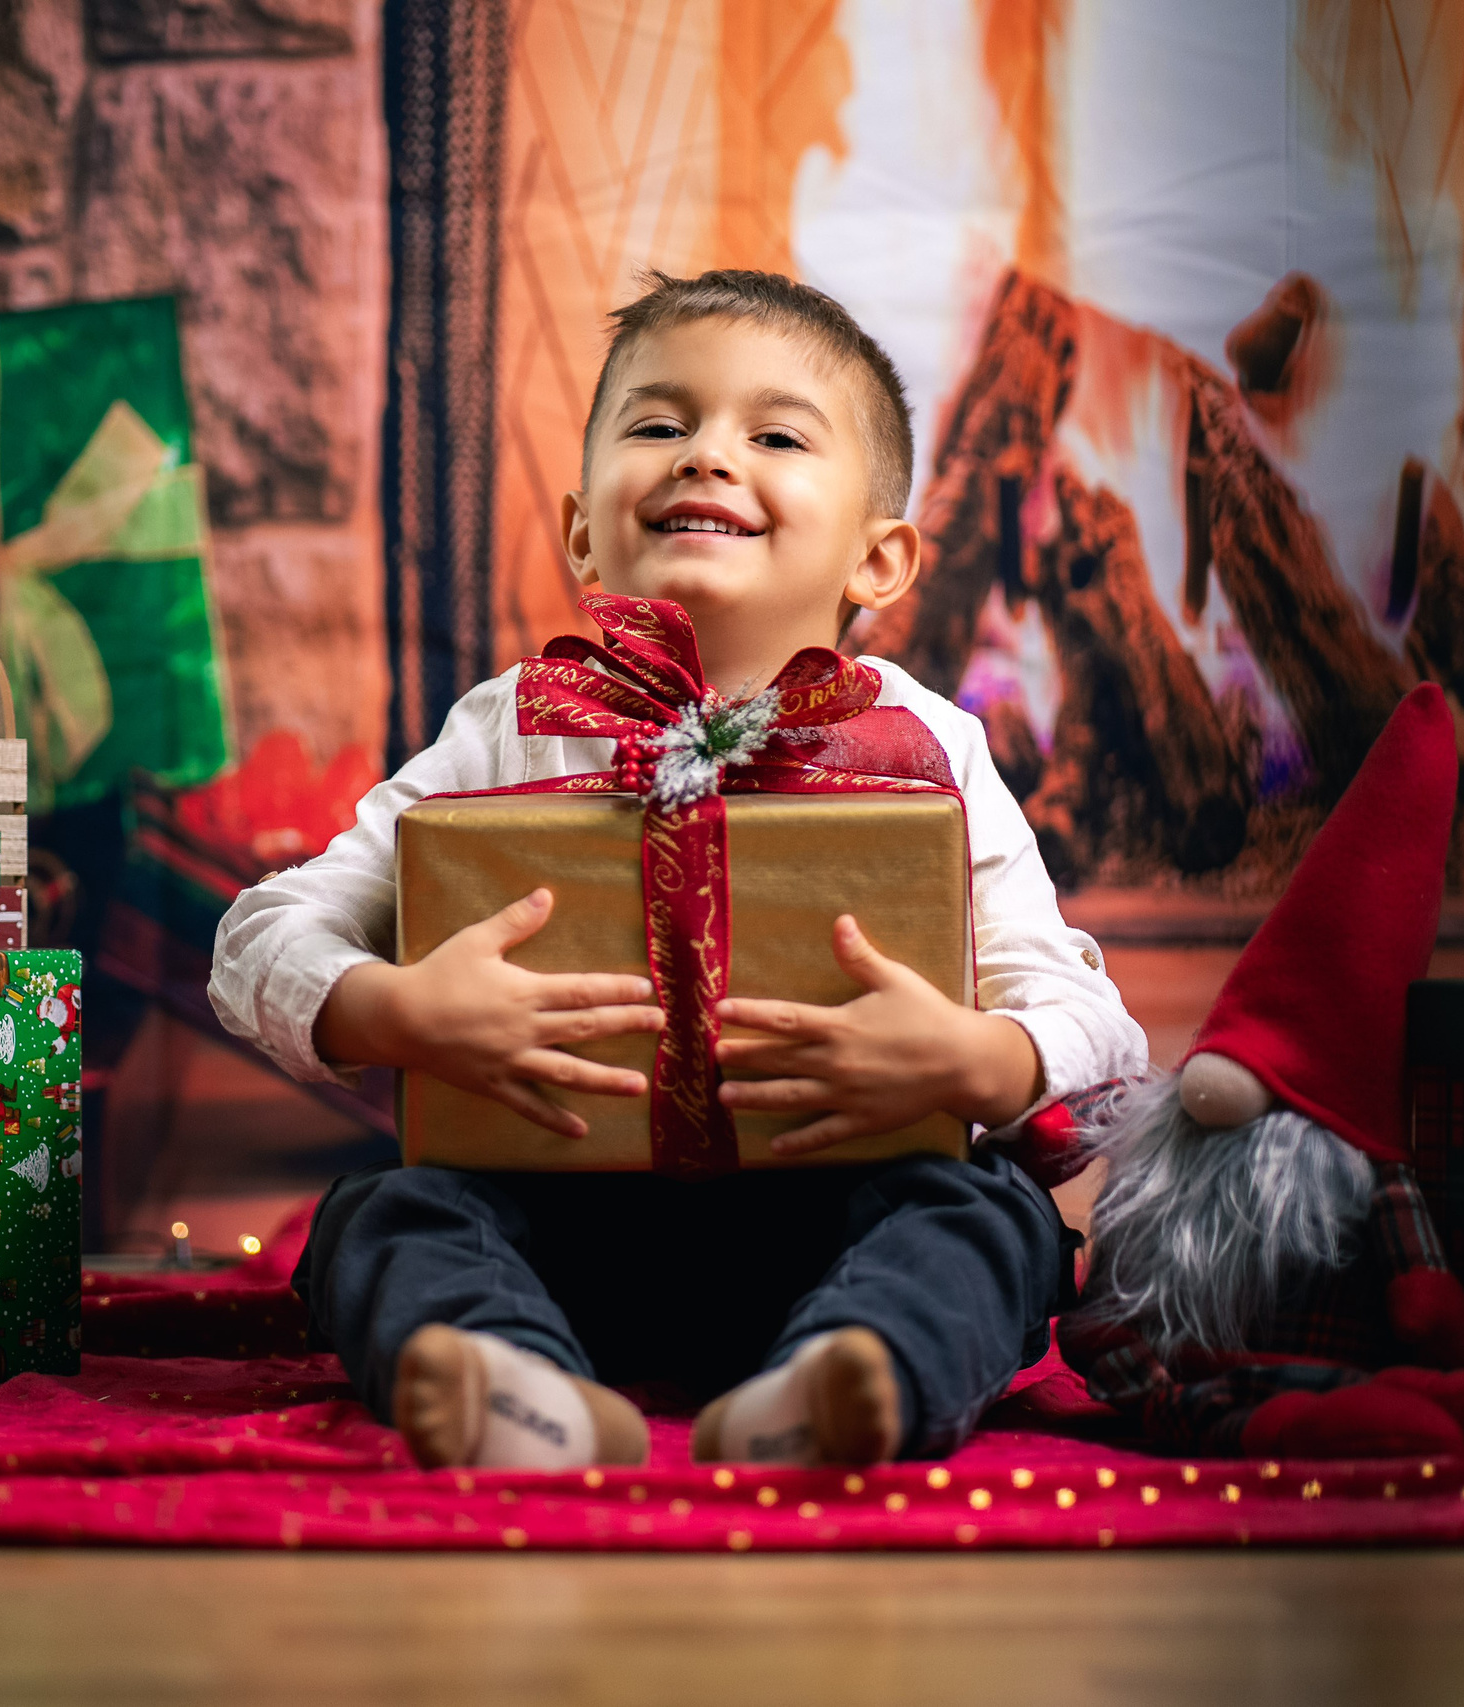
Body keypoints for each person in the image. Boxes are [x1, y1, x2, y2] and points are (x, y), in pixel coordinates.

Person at [211, 270, 1145, 1470]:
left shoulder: (931, 747)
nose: (704, 456)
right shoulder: (507, 725)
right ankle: (512, 1381)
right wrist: (393, 1008)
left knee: (997, 1219)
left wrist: (976, 1056)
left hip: (843, 1220)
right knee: (381, 1214)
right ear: (583, 532)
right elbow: (260, 935)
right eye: (658, 425)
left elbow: (1092, 1021)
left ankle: (851, 1376)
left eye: (772, 434)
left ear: (882, 560)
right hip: (559, 1230)